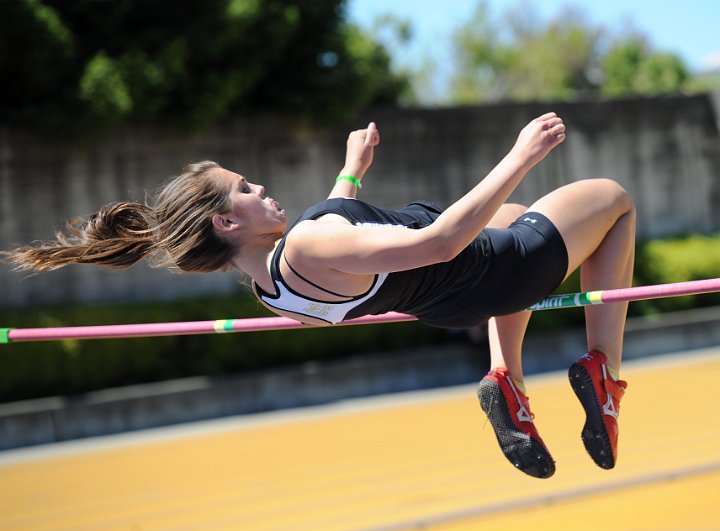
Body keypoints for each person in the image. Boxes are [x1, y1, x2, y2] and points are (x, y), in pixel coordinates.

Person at [2, 112, 635, 479]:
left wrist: (352, 169)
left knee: (520, 211)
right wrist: (520, 154)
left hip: (453, 306)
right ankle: (603, 370)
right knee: (613, 200)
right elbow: (440, 241)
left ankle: (508, 378)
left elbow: (348, 241)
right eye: (245, 189)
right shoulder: (307, 243)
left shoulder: (270, 286)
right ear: (226, 223)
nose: (262, 188)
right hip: (493, 271)